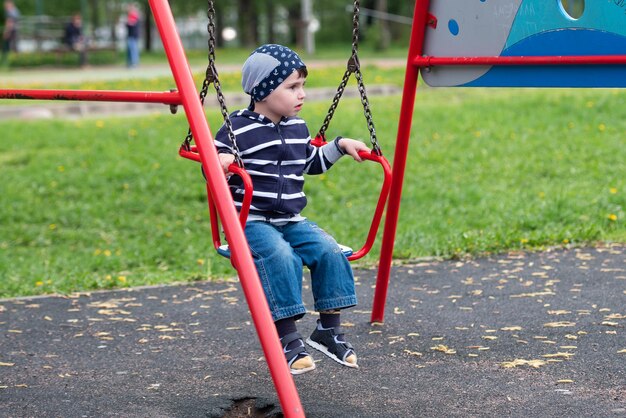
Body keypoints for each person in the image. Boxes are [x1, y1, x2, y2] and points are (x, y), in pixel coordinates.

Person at [214, 44, 370, 375]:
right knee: (281, 257)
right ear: (264, 90)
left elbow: (311, 162)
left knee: (330, 251)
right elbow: (214, 162)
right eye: (292, 87)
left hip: (291, 219)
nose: (302, 95)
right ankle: (286, 337)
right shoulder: (236, 128)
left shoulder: (297, 127)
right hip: (251, 221)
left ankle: (328, 330)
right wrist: (221, 161)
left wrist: (340, 146)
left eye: (302, 86)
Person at [125, 3, 140, 68]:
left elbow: (131, 23)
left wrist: (127, 22)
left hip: (133, 35)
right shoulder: (131, 15)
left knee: (133, 50)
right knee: (130, 50)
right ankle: (130, 63)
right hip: (130, 35)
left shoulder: (134, 14)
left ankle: (134, 64)